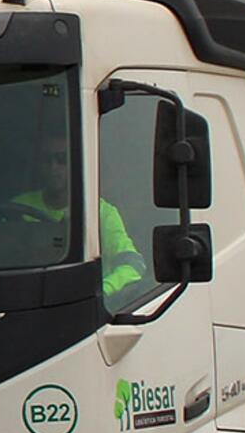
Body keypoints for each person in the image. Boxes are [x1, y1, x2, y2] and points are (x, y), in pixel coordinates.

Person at [12, 130, 151, 308]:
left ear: (74, 164)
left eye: (61, 159)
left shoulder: (101, 212)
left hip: (83, 310)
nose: (53, 167)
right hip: (25, 303)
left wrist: (99, 293)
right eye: (47, 160)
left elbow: (133, 265)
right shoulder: (17, 207)